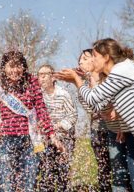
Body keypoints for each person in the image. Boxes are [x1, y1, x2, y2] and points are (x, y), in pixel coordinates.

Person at [55, 38, 134, 192]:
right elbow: (98, 106)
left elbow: (93, 97)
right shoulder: (115, 76)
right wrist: (79, 82)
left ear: (106, 57)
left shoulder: (121, 70)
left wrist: (77, 80)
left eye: (95, 56)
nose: (93, 59)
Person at [0, 51, 65, 192]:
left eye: (19, 66)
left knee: (29, 185)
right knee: (7, 185)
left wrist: (52, 135)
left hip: (31, 141)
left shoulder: (32, 81)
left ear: (24, 67)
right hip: (5, 141)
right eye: (11, 66)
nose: (15, 71)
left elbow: (41, 109)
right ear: (4, 67)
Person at [77, 49, 133, 191]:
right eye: (80, 59)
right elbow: (91, 108)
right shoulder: (81, 85)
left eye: (85, 58)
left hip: (115, 128)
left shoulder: (107, 77)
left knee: (120, 165)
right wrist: (81, 83)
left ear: (94, 60)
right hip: (97, 129)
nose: (80, 62)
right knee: (103, 168)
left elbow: (113, 101)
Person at [37, 64, 78, 192]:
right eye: (39, 75)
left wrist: (57, 126)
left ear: (53, 77)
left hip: (64, 138)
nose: (41, 78)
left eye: (45, 74)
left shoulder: (63, 94)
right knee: (46, 172)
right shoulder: (39, 95)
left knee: (62, 172)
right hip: (45, 139)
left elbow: (73, 116)